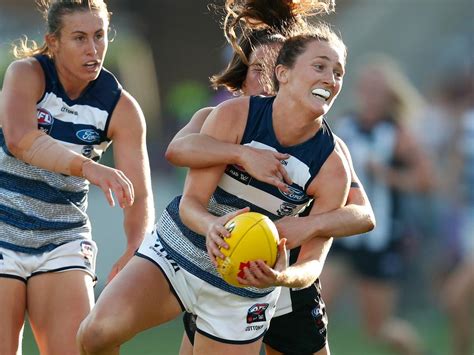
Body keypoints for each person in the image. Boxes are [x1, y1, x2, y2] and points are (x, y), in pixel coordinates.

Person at [77, 1, 360, 354]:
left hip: (244, 282)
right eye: (319, 66)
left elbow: (320, 257)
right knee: (95, 334)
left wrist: (282, 276)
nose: (330, 79)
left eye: (338, 73)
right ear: (284, 74)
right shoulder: (232, 115)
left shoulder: (331, 162)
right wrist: (216, 216)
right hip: (183, 248)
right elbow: (187, 190)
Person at [164, 2, 374, 355]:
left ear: (287, 74)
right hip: (227, 270)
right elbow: (177, 151)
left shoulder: (320, 147)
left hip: (286, 275)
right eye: (256, 69)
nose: (266, 80)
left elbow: (364, 215)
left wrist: (308, 226)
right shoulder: (223, 118)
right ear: (240, 76)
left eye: (271, 69)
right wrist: (241, 153)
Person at [0, 1, 154, 354]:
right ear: (52, 42)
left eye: (99, 36)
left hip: (63, 238)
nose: (93, 49)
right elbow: (21, 140)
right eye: (80, 38)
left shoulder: (121, 107)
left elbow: (139, 195)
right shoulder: (26, 74)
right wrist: (88, 167)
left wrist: (135, 247)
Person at [320, 54, 432, 355]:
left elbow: (425, 182)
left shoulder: (398, 134)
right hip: (344, 231)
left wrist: (387, 175)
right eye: (365, 88)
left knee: (377, 329)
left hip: (379, 238)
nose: (369, 95)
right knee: (314, 310)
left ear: (389, 96)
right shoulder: (344, 125)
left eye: (377, 90)